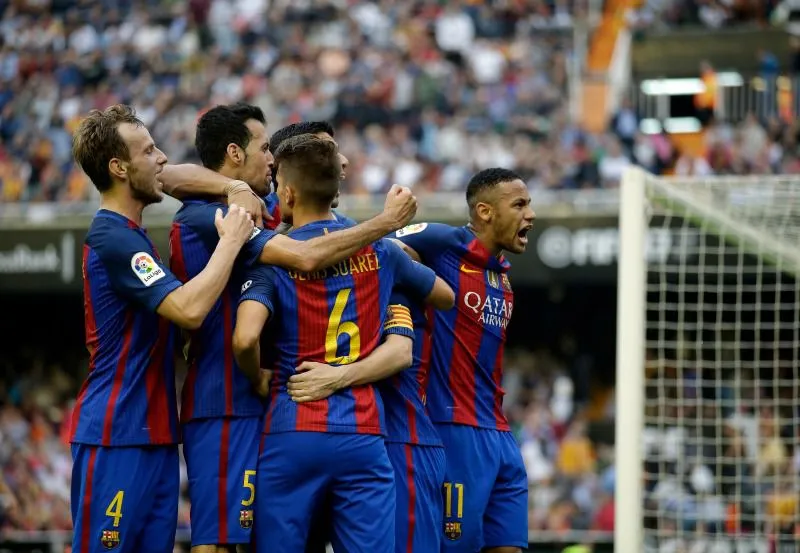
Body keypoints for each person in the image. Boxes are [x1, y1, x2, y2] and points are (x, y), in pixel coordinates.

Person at [168, 103, 419, 553]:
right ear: (234, 153)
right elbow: (165, 177)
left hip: (276, 407)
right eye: (265, 147)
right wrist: (387, 227)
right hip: (227, 398)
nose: (271, 157)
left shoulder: (265, 205)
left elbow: (313, 191)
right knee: (218, 542)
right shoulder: (212, 215)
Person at [232, 134, 454, 553]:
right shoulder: (383, 252)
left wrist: (257, 377)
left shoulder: (272, 257)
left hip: (292, 424)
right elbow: (444, 296)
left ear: (289, 192)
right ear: (336, 190)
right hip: (363, 433)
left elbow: (245, 337)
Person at [68, 104, 256, 553]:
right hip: (115, 434)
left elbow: (175, 178)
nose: (162, 160)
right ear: (118, 167)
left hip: (155, 435)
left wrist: (234, 185)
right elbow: (188, 310)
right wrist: (231, 241)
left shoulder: (135, 235)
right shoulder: (111, 237)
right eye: (149, 151)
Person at [393, 168, 536, 553]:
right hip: (451, 427)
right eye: (519, 204)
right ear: (486, 212)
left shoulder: (503, 278)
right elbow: (380, 247)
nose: (531, 215)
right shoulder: (443, 242)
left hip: (501, 434)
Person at [287, 286, 446, 553]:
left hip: (396, 439)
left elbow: (402, 351)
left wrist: (336, 376)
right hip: (310, 433)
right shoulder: (295, 272)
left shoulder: (387, 270)